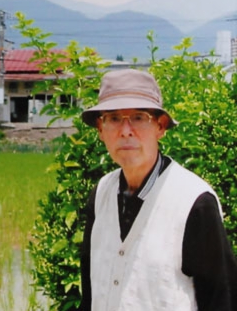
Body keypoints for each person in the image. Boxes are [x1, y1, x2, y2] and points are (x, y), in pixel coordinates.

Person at [78, 69, 237, 311]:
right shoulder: (101, 195)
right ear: (100, 129)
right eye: (113, 118)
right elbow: (91, 296)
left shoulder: (193, 202)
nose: (126, 130)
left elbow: (222, 300)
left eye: (139, 117)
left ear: (160, 127)